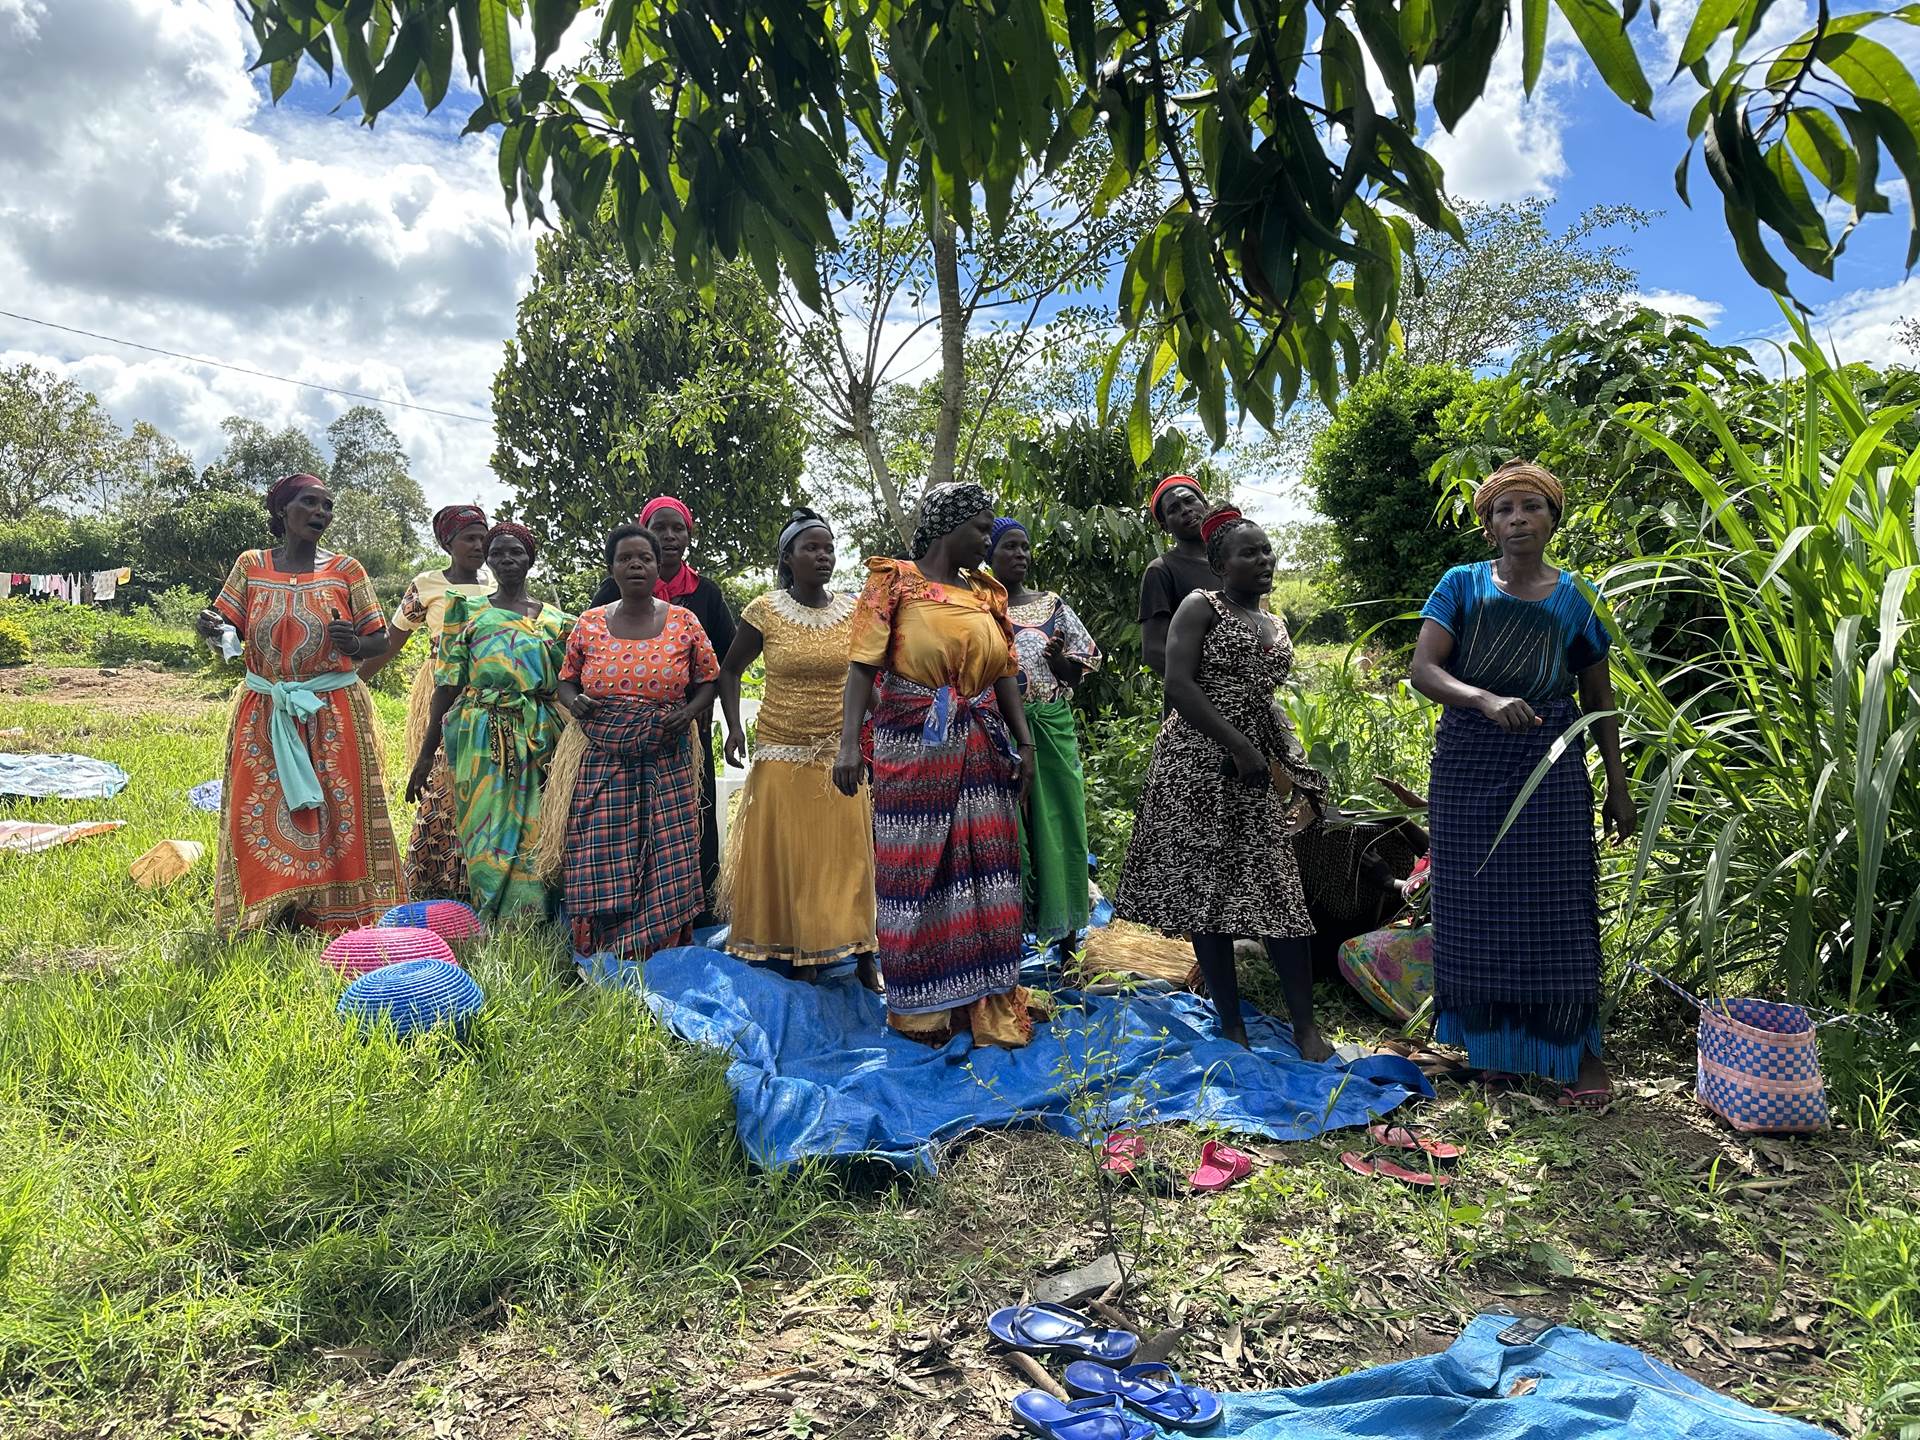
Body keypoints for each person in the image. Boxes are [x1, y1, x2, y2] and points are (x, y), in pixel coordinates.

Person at [1409, 460, 1634, 1106]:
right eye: (1503, 511)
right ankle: (1496, 1051)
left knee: (1558, 903)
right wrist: (1481, 698)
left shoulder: (1576, 598)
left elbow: (1598, 696)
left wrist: (1617, 785)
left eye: (1531, 507)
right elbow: (1425, 669)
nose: (1518, 520)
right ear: (1487, 528)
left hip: (1552, 762)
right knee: (1477, 906)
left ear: (1552, 520)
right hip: (1469, 765)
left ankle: (1576, 1051)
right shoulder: (1460, 586)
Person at [1115, 505, 1330, 1059]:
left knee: (1279, 888)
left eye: (1266, 550)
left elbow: (1268, 701)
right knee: (1207, 894)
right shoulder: (1200, 606)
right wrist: (1237, 746)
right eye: (1248, 552)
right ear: (1220, 564)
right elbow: (1179, 683)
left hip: (1256, 764)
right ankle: (1229, 1021)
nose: (1264, 560)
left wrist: (1288, 760)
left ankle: (1305, 1028)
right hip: (1198, 761)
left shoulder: (1274, 622)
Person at [832, 482, 1038, 1049]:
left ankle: (988, 996)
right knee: (917, 868)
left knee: (989, 869)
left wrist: (1026, 746)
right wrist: (849, 745)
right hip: (913, 745)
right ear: (951, 526)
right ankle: (923, 1006)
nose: (987, 539)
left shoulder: (986, 592)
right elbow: (861, 666)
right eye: (980, 528)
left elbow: (1005, 674)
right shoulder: (892, 581)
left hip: (982, 745)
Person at [195, 473, 403, 933]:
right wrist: (209, 629)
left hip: (333, 708)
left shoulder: (346, 570)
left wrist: (355, 642)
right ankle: (272, 910)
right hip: (265, 708)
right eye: (310, 503)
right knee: (261, 807)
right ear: (282, 511)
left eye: (327, 507)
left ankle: (335, 912)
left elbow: (379, 640)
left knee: (338, 810)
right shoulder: (250, 565)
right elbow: (224, 625)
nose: (321, 514)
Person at [716, 508, 878, 984]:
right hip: (780, 751)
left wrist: (861, 738)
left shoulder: (854, 610)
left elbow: (866, 676)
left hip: (839, 752)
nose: (823, 556)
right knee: (790, 856)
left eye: (828, 548)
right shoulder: (764, 610)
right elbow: (729, 670)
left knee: (850, 856)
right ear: (789, 557)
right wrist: (734, 728)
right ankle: (795, 949)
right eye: (812, 548)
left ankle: (865, 954)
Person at [559, 523, 720, 961]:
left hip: (667, 750)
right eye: (625, 558)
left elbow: (709, 678)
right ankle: (605, 942)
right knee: (600, 843)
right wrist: (575, 705)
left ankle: (660, 941)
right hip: (603, 752)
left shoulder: (684, 621)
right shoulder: (590, 623)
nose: (636, 565)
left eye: (644, 558)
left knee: (666, 847)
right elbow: (567, 682)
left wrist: (687, 714)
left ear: (657, 566)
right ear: (611, 567)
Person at [407, 522, 570, 922]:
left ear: (530, 558)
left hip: (538, 733)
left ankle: (530, 918)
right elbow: (446, 685)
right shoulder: (466, 611)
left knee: (536, 824)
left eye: (515, 552)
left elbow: (568, 683)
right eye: (497, 553)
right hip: (479, 734)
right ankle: (488, 916)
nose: (506, 560)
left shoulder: (558, 621)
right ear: (489, 560)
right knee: (484, 826)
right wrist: (426, 755)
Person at [590, 496, 735, 923]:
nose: (671, 537)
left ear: (690, 536)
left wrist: (718, 719)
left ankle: (695, 906)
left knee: (696, 809)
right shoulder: (614, 589)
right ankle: (627, 905)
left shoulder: (705, 594)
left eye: (679, 529)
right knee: (625, 815)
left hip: (687, 724)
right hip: (620, 730)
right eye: (662, 528)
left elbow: (726, 664)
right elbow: (586, 651)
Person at [358, 504, 493, 899]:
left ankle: (477, 875)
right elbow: (391, 642)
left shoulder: (497, 584)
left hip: (488, 696)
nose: (479, 545)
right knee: (440, 782)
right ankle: (437, 875)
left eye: (483, 537)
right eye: (470, 537)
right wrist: (351, 683)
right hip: (441, 692)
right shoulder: (427, 585)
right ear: (447, 542)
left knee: (482, 785)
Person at [986, 516, 1100, 949]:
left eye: (1024, 547)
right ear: (988, 555)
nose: (1020, 555)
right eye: (1009, 547)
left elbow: (1079, 671)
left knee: (1061, 822)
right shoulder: (980, 606)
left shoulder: (1053, 606)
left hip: (1052, 725)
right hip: (997, 730)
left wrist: (1058, 664)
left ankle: (1068, 933)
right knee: (1008, 826)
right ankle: (1007, 936)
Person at [1137, 474, 1212, 702]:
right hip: (1196, 706)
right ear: (1164, 526)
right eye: (1174, 509)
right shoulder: (1161, 571)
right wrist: (1211, 688)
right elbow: (1154, 652)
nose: (1186, 510)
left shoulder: (1231, 562)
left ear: (1205, 505)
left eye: (1190, 501)